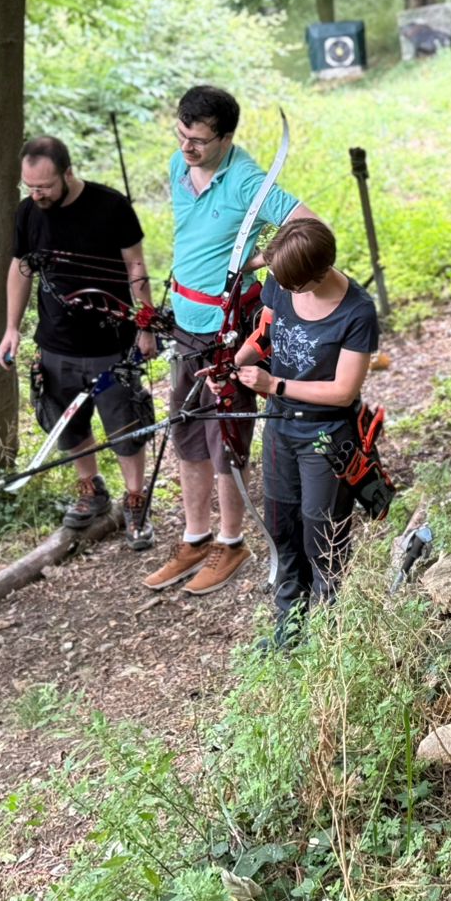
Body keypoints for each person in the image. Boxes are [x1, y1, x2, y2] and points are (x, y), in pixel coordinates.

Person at [146, 85, 317, 598]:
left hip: (227, 330)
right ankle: (196, 537)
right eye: (181, 135)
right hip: (185, 324)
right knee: (186, 432)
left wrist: (259, 260)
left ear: (225, 138)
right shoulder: (180, 165)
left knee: (226, 439)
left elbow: (310, 227)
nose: (187, 148)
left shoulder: (246, 181)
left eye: (198, 140)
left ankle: (231, 541)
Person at [0, 135, 158, 547]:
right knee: (67, 423)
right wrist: (12, 327)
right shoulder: (28, 213)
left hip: (111, 344)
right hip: (56, 344)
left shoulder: (110, 206)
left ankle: (135, 500)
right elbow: (21, 268)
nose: (37, 194)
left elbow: (136, 265)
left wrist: (145, 324)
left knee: (125, 424)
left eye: (45, 186)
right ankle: (91, 489)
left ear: (68, 173)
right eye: (30, 187)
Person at [231, 218, 379, 642]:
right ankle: (290, 625)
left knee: (322, 532)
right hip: (280, 427)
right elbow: (266, 333)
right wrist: (234, 362)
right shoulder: (283, 280)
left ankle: (329, 633)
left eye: (292, 286)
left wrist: (274, 384)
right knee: (282, 525)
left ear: (318, 274)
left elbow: (343, 391)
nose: (282, 290)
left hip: (326, 434)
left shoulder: (357, 311)